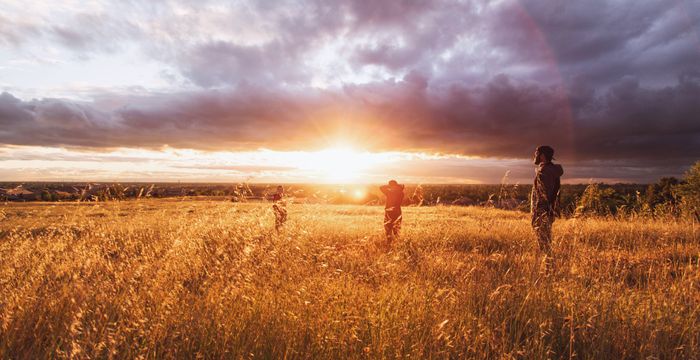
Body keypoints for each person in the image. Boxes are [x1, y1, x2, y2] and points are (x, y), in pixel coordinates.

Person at [531, 145, 564, 263]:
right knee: (546, 240)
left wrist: (539, 213)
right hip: (547, 211)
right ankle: (548, 265)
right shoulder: (550, 170)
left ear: (542, 155)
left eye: (536, 153)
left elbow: (545, 195)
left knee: (544, 242)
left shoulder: (545, 171)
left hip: (543, 211)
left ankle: (548, 266)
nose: (534, 156)